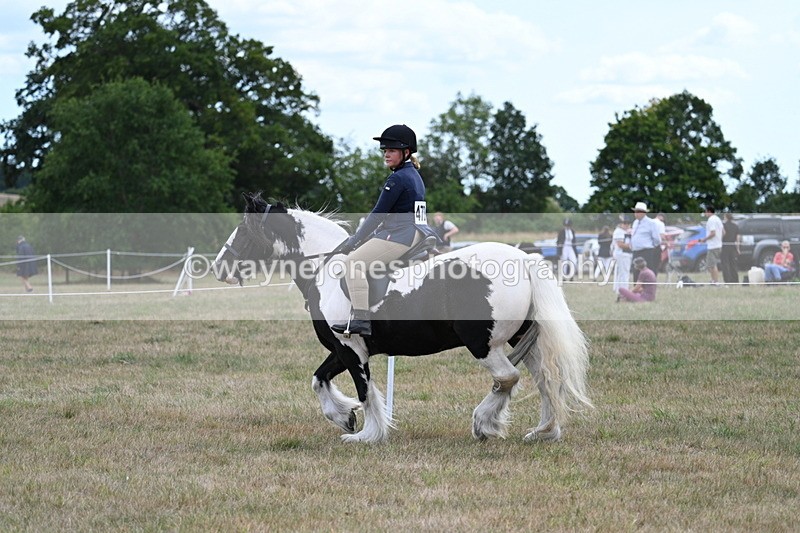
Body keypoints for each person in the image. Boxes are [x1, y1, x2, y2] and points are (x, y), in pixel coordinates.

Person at [331, 124, 428, 337]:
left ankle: (361, 319)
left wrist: (354, 241)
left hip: (401, 234)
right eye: (385, 151)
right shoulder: (413, 174)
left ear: (406, 152)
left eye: (392, 150)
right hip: (416, 232)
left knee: (352, 263)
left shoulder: (398, 178)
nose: (386, 155)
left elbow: (377, 215)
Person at [629, 202, 661, 282]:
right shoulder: (635, 222)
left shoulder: (651, 223)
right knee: (636, 272)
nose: (636, 214)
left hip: (646, 251)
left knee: (646, 272)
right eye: (635, 211)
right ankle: (637, 288)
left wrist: (651, 246)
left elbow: (657, 239)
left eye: (638, 212)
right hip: (636, 251)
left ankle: (647, 288)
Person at [700, 205, 724, 285]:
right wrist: (719, 240)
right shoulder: (718, 219)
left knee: (711, 265)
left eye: (705, 212)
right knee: (711, 264)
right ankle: (713, 280)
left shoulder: (711, 220)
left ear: (709, 211)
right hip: (718, 245)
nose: (705, 213)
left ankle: (715, 281)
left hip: (713, 246)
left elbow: (713, 233)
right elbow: (723, 232)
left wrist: (704, 239)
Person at [612, 216, 633, 295]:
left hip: (625, 254)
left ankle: (619, 289)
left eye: (628, 223)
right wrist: (631, 246)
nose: (626, 225)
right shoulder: (619, 231)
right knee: (624, 273)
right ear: (621, 224)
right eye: (624, 223)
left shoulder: (625, 231)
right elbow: (620, 244)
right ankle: (624, 290)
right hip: (622, 254)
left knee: (622, 273)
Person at [721, 212, 741, 284]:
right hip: (733, 246)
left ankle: (727, 280)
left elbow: (723, 234)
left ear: (726, 217)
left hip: (725, 245)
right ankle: (735, 280)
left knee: (725, 263)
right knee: (733, 263)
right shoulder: (735, 226)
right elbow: (738, 238)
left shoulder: (723, 225)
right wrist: (738, 249)